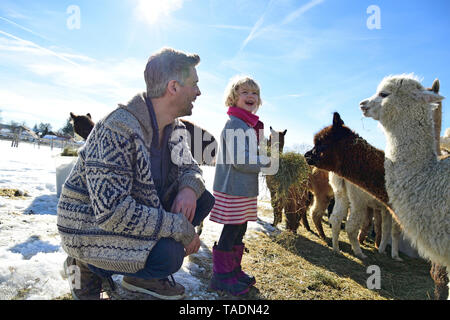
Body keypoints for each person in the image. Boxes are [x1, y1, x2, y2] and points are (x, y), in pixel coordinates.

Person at [57, 47, 215, 300]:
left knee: (203, 199)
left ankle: (139, 276)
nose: (199, 92)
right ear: (173, 87)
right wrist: (180, 227)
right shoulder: (118, 127)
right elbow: (113, 212)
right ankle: (83, 264)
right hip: (89, 226)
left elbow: (191, 168)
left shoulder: (173, 128)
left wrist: (188, 189)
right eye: (194, 84)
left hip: (135, 213)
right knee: (169, 255)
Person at [209, 76, 270, 296]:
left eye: (254, 93)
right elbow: (241, 160)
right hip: (232, 188)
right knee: (232, 229)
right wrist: (267, 161)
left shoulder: (247, 124)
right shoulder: (235, 123)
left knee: (240, 228)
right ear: (234, 98)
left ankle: (233, 270)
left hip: (242, 189)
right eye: (245, 92)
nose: (250, 96)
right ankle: (221, 277)